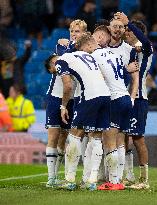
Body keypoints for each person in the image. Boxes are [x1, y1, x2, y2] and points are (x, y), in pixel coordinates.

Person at [76, 30, 139, 190]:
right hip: (125, 97)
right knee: (119, 141)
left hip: (114, 99)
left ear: (90, 44)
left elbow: (99, 78)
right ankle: (118, 180)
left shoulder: (94, 57)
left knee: (109, 142)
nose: (85, 54)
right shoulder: (113, 54)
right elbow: (123, 75)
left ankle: (114, 182)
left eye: (84, 50)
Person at [57, 50, 111, 191]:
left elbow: (68, 86)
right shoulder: (86, 56)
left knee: (75, 135)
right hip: (105, 95)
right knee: (97, 138)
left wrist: (63, 106)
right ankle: (92, 181)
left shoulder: (62, 60)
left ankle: (69, 179)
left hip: (90, 96)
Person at [45, 19, 87, 188]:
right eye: (72, 31)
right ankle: (51, 177)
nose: (73, 34)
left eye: (77, 32)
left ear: (84, 33)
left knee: (67, 137)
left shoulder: (86, 50)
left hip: (73, 98)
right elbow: (63, 57)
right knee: (54, 135)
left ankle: (65, 175)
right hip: (56, 96)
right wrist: (69, 42)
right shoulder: (61, 47)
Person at [115, 12, 153, 189]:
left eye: (129, 31)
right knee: (122, 137)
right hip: (123, 97)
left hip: (139, 98)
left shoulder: (146, 48)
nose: (126, 33)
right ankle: (127, 176)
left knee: (137, 138)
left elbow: (144, 42)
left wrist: (128, 23)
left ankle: (144, 180)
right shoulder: (125, 50)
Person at [107, 16, 138, 184]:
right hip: (104, 97)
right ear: (109, 28)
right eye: (115, 26)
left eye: (120, 26)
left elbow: (135, 77)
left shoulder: (129, 49)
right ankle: (110, 177)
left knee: (120, 137)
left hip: (120, 97)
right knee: (103, 137)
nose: (117, 29)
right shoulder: (101, 48)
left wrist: (132, 96)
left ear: (124, 30)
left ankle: (117, 178)